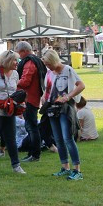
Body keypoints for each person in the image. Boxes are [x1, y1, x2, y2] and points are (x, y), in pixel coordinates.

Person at [41, 49, 86, 180]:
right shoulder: (49, 73)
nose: (48, 67)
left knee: (68, 138)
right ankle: (65, 166)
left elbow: (81, 85)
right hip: (52, 108)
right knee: (58, 139)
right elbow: (47, 90)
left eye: (49, 64)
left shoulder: (68, 70)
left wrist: (68, 96)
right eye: (46, 65)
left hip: (65, 108)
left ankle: (77, 169)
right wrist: (44, 98)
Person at [14, 41, 46, 163]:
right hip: (33, 97)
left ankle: (34, 154)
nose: (19, 56)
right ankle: (32, 153)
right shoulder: (36, 61)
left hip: (30, 99)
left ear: (24, 51)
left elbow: (25, 81)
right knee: (31, 127)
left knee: (32, 127)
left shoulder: (29, 62)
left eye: (19, 53)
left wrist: (13, 82)